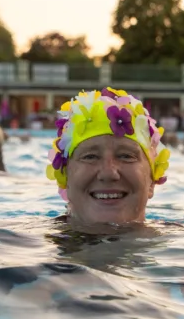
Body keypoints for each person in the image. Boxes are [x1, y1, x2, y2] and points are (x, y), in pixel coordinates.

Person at [45, 87, 171, 229]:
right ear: (65, 176)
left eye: (126, 156)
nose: (108, 173)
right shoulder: (26, 243)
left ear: (152, 182)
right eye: (90, 156)